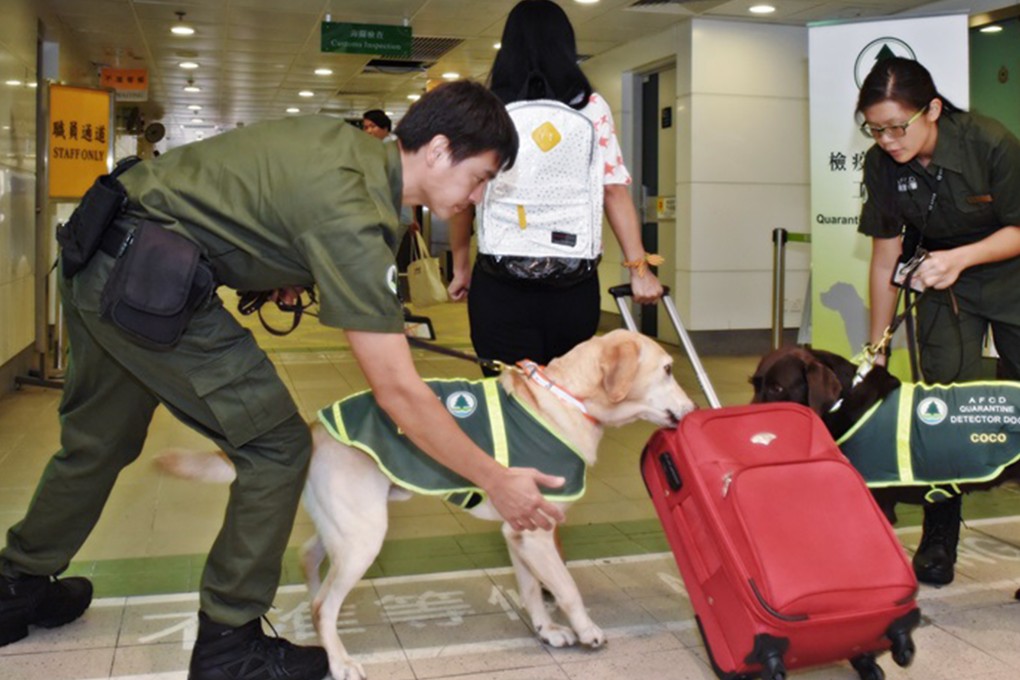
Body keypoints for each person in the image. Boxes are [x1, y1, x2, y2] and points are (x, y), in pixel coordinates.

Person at [0, 80, 568, 680]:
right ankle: (228, 646)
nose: (478, 196)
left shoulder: (337, 143)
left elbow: (245, 203)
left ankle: (16, 584)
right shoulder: (355, 212)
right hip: (145, 278)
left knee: (99, 439)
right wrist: (493, 479)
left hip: (98, 254)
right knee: (276, 446)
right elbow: (398, 390)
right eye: (480, 177)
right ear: (437, 150)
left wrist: (266, 265)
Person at [856, 57, 1020, 586]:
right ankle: (940, 534)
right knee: (941, 409)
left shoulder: (989, 142)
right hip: (943, 286)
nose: (887, 139)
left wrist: (961, 258)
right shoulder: (881, 165)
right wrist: (877, 345)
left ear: (933, 109)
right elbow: (885, 260)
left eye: (897, 126)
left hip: (1010, 271)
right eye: (875, 128)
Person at [447, 0, 663, 376]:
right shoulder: (591, 108)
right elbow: (614, 191)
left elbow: (463, 200)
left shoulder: (486, 109)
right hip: (573, 285)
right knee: (567, 399)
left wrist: (461, 265)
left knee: (508, 397)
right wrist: (639, 269)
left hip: (499, 285)